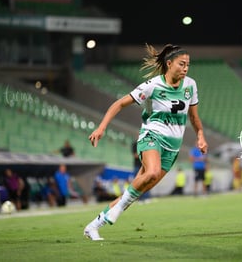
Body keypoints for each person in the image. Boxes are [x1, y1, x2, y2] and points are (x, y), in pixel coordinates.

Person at [84, 43, 208, 241]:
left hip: (172, 149)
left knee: (134, 193)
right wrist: (101, 128)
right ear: (169, 64)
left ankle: (93, 225)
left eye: (188, 65)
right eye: (181, 64)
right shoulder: (153, 86)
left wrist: (200, 135)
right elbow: (119, 103)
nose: (185, 68)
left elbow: (193, 117)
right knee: (151, 172)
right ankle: (114, 213)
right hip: (152, 137)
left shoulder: (190, 86)